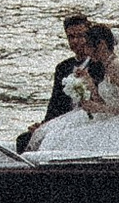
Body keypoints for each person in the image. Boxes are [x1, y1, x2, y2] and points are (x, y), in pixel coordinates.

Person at [17, 10, 99, 154]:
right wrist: (43, 125)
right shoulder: (63, 68)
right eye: (70, 37)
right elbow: (55, 106)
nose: (75, 41)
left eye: (80, 36)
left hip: (91, 120)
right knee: (24, 139)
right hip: (66, 121)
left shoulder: (98, 65)